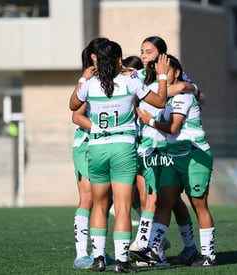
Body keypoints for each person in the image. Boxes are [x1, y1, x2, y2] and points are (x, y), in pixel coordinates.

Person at [69, 40, 169, 273]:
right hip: (122, 147)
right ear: (119, 60)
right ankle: (122, 261)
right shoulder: (130, 81)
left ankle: (98, 258)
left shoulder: (91, 84)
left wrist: (83, 78)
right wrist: (162, 76)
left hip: (97, 148)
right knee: (123, 207)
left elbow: (73, 104)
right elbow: (160, 100)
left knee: (99, 206)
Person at [133, 54, 217, 267]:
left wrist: (150, 121)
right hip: (173, 157)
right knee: (165, 201)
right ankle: (152, 250)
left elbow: (173, 128)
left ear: (177, 72)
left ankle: (208, 255)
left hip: (194, 155)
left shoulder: (183, 94)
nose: (162, 74)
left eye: (166, 71)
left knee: (199, 205)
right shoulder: (167, 94)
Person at [72, 37, 112, 269]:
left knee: (104, 200)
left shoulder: (119, 77)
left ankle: (100, 253)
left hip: (112, 145)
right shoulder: (87, 79)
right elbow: (75, 114)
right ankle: (81, 254)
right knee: (88, 198)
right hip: (86, 144)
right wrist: (100, 128)